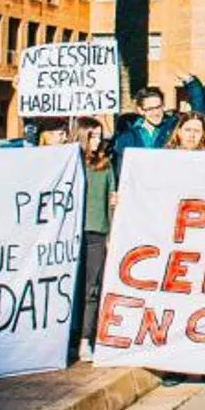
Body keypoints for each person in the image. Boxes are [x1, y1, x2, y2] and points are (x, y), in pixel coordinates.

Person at [74, 116, 116, 361]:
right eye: (92, 136)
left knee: (92, 287)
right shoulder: (69, 163)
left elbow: (111, 198)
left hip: (97, 231)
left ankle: (85, 339)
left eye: (100, 136)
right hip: (70, 233)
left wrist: (111, 231)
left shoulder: (105, 164)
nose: (97, 141)